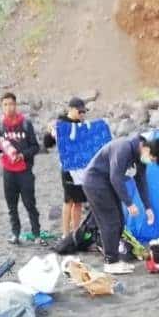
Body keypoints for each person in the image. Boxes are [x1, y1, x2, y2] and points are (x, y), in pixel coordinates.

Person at [79, 134, 159, 275]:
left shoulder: (140, 158)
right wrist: (129, 203)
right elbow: (115, 177)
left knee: (120, 221)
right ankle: (110, 262)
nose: (150, 161)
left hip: (108, 184)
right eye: (151, 159)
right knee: (110, 222)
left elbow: (142, 182)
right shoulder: (124, 148)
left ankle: (115, 259)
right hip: (94, 182)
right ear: (146, 149)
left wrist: (148, 207)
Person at [0, 92, 43, 246]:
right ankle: (15, 234)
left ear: (16, 105)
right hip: (8, 171)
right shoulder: (0, 126)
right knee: (11, 205)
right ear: (2, 107)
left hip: (25, 171)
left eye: (11, 104)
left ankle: (36, 234)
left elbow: (36, 147)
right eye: (5, 105)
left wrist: (22, 155)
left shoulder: (26, 124)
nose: (9, 107)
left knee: (30, 204)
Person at [43, 97, 89, 237]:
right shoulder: (61, 123)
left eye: (83, 111)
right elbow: (47, 143)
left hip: (80, 168)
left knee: (79, 202)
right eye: (79, 111)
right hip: (67, 167)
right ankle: (65, 233)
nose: (82, 114)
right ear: (71, 109)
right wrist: (50, 131)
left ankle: (75, 231)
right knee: (68, 200)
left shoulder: (81, 125)